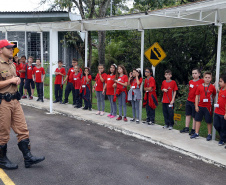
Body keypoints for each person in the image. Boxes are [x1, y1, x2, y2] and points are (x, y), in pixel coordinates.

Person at [0, 39, 45, 170]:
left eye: (12, 48)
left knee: (23, 130)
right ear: (1, 50)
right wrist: (11, 81)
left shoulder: (12, 64)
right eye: (8, 48)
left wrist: (17, 79)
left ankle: (28, 157)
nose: (11, 49)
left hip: (15, 101)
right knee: (3, 133)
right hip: (3, 102)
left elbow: (13, 79)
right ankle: (2, 160)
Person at [190, 71, 216, 141]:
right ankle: (196, 133)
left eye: (209, 78)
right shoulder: (200, 86)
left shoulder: (212, 87)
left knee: (208, 121)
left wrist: (211, 100)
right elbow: (197, 96)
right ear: (203, 78)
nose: (207, 79)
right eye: (206, 77)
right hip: (200, 106)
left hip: (208, 107)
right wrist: (196, 106)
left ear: (211, 78)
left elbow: (214, 94)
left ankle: (209, 134)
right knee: (198, 120)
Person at [180, 68, 204, 135]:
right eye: (193, 73)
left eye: (195, 73)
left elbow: (207, 85)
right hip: (189, 100)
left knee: (194, 116)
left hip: (195, 102)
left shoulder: (201, 81)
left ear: (199, 74)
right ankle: (186, 127)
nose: (194, 75)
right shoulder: (190, 82)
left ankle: (193, 129)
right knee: (188, 114)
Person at [213, 74, 226, 146]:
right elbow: (217, 89)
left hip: (223, 113)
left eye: (221, 81)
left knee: (223, 127)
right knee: (216, 125)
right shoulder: (221, 89)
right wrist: (215, 84)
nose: (219, 83)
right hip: (217, 111)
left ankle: (222, 139)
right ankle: (223, 137)